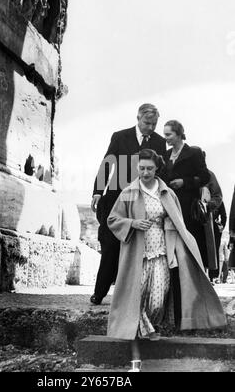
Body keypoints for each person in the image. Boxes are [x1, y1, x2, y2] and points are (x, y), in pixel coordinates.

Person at [107, 149, 226, 372]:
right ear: (137, 168)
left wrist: (175, 239)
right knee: (135, 302)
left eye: (149, 168)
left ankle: (144, 329)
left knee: (157, 301)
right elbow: (113, 219)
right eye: (141, 168)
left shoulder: (167, 193)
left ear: (157, 168)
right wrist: (132, 223)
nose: (145, 172)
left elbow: (177, 222)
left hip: (162, 252)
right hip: (137, 256)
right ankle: (135, 359)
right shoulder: (130, 192)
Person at [90, 104, 166, 305]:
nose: (150, 127)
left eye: (154, 124)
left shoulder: (159, 142)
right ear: (138, 118)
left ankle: (135, 297)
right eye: (147, 123)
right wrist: (98, 191)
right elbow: (107, 164)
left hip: (144, 200)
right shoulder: (120, 136)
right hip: (117, 197)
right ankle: (99, 292)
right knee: (110, 245)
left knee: (140, 247)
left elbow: (162, 172)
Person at [162, 121, 210, 269]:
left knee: (189, 243)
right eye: (165, 134)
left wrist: (184, 182)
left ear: (178, 134)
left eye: (168, 134)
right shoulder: (166, 154)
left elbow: (205, 177)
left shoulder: (194, 153)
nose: (166, 138)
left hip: (188, 207)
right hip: (170, 206)